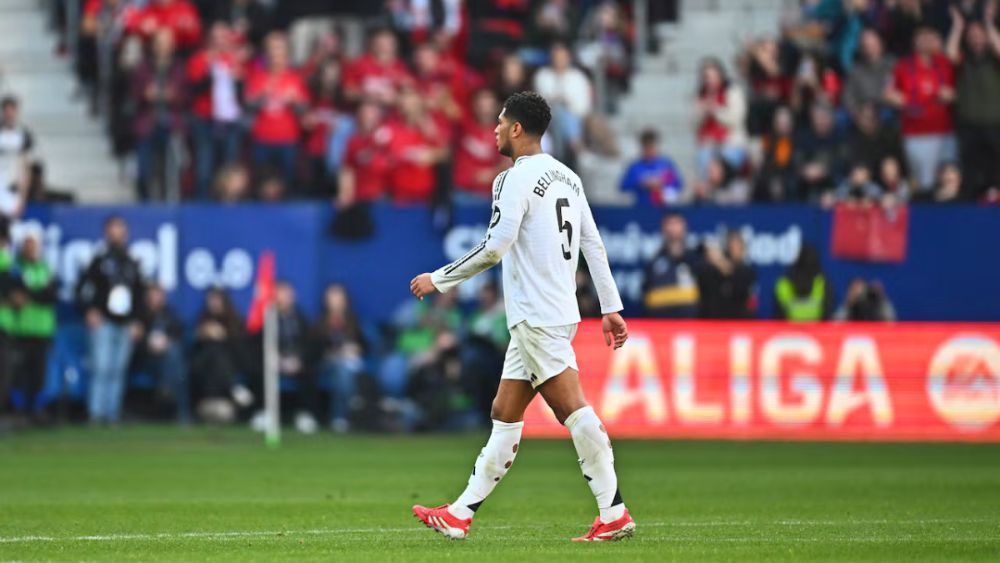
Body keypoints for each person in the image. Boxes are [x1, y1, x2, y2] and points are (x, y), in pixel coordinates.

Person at [408, 91, 634, 541]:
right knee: (505, 410)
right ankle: (460, 513)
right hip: (556, 311)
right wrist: (610, 307)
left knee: (572, 409)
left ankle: (614, 513)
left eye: (499, 122)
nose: (493, 129)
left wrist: (440, 279)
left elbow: (495, 247)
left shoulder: (512, 179)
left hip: (535, 314)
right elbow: (592, 243)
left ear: (516, 128)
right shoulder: (567, 177)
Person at [75, 216, 146, 425]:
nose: (116, 234)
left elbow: (139, 295)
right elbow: (81, 289)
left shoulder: (131, 262)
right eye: (113, 229)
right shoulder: (98, 261)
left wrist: (138, 321)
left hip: (125, 323)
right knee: (101, 368)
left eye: (120, 229)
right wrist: (89, 310)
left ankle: (112, 414)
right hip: (104, 321)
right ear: (106, 233)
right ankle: (96, 413)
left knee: (118, 370)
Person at [885, 27, 956, 192]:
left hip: (945, 132)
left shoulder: (945, 63)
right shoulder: (903, 66)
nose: (926, 42)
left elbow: (959, 89)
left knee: (950, 178)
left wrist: (952, 95)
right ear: (914, 42)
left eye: (930, 37)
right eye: (922, 38)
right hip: (916, 134)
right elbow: (888, 92)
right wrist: (901, 100)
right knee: (925, 183)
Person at [245, 32, 309, 193]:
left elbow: (304, 109)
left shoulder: (295, 78)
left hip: (288, 139)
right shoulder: (257, 77)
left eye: (279, 49)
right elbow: (248, 106)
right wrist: (262, 96)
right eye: (271, 49)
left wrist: (295, 101)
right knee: (261, 184)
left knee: (287, 184)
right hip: (262, 138)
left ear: (286, 53)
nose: (275, 54)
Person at [947, 4, 1000, 199]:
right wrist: (958, 28)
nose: (975, 38)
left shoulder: (993, 59)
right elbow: (949, 55)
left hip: (994, 123)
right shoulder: (964, 59)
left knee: (996, 168)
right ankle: (971, 204)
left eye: (979, 34)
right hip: (968, 124)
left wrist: (989, 24)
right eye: (971, 35)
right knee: (970, 169)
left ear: (986, 36)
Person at [9, 233, 57, 422]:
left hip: (42, 329)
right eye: (27, 244)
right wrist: (36, 293)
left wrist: (29, 295)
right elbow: (14, 293)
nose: (31, 248)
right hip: (20, 329)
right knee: (18, 373)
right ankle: (17, 410)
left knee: (39, 373)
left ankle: (37, 410)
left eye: (34, 245)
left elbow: (50, 295)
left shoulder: (45, 268)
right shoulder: (16, 268)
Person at [309, 283, 365, 433]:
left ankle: (346, 411)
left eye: (338, 297)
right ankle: (344, 411)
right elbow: (315, 348)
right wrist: (336, 351)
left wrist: (355, 348)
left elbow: (364, 344)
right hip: (328, 362)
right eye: (332, 297)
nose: (335, 301)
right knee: (343, 369)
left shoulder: (352, 320)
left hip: (351, 361)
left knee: (348, 368)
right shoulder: (320, 322)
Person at [136, 284, 188, 423]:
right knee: (177, 365)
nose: (156, 299)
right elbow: (136, 344)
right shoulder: (141, 315)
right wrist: (148, 343)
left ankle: (166, 387)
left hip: (167, 359)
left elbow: (179, 332)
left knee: (176, 359)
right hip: (147, 360)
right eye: (153, 295)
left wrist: (166, 341)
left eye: (159, 295)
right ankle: (182, 413)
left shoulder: (169, 313)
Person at [694, 58, 748, 178]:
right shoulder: (701, 95)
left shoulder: (733, 92)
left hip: (731, 144)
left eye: (712, 76)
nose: (709, 80)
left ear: (720, 75)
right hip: (708, 145)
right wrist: (703, 112)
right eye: (706, 77)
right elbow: (694, 126)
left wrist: (715, 110)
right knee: (704, 159)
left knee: (726, 164)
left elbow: (736, 119)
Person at [642, 213, 700, 318]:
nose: (674, 229)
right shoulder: (654, 261)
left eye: (677, 224)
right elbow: (646, 296)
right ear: (663, 229)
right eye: (670, 224)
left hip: (691, 322)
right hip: (660, 322)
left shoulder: (696, 259)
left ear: (685, 227)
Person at [697, 231, 756, 319]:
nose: (735, 249)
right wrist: (712, 259)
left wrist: (721, 262)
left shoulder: (747, 272)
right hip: (713, 321)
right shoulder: (712, 270)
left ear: (743, 248)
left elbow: (741, 290)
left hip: (739, 321)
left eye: (738, 246)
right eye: (732, 246)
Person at [619, 129, 684, 206]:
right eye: (646, 147)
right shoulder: (635, 166)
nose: (649, 150)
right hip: (641, 207)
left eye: (651, 147)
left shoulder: (666, 165)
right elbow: (623, 186)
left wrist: (662, 182)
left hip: (662, 207)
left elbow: (678, 184)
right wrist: (641, 183)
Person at [774, 244, 833, 322]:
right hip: (813, 328)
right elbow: (828, 310)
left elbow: (779, 314)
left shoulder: (783, 282)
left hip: (790, 328)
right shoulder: (822, 281)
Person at [0, 96, 33, 218]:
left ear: (16, 112)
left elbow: (25, 167)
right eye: (6, 111)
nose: (9, 115)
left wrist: (22, 198)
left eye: (11, 111)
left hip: (12, 188)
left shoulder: (23, 135)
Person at [833, 278, 897, 321]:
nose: (857, 293)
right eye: (854, 289)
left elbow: (891, 323)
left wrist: (881, 299)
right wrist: (847, 304)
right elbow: (835, 326)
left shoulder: (877, 305)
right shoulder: (848, 308)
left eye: (860, 289)